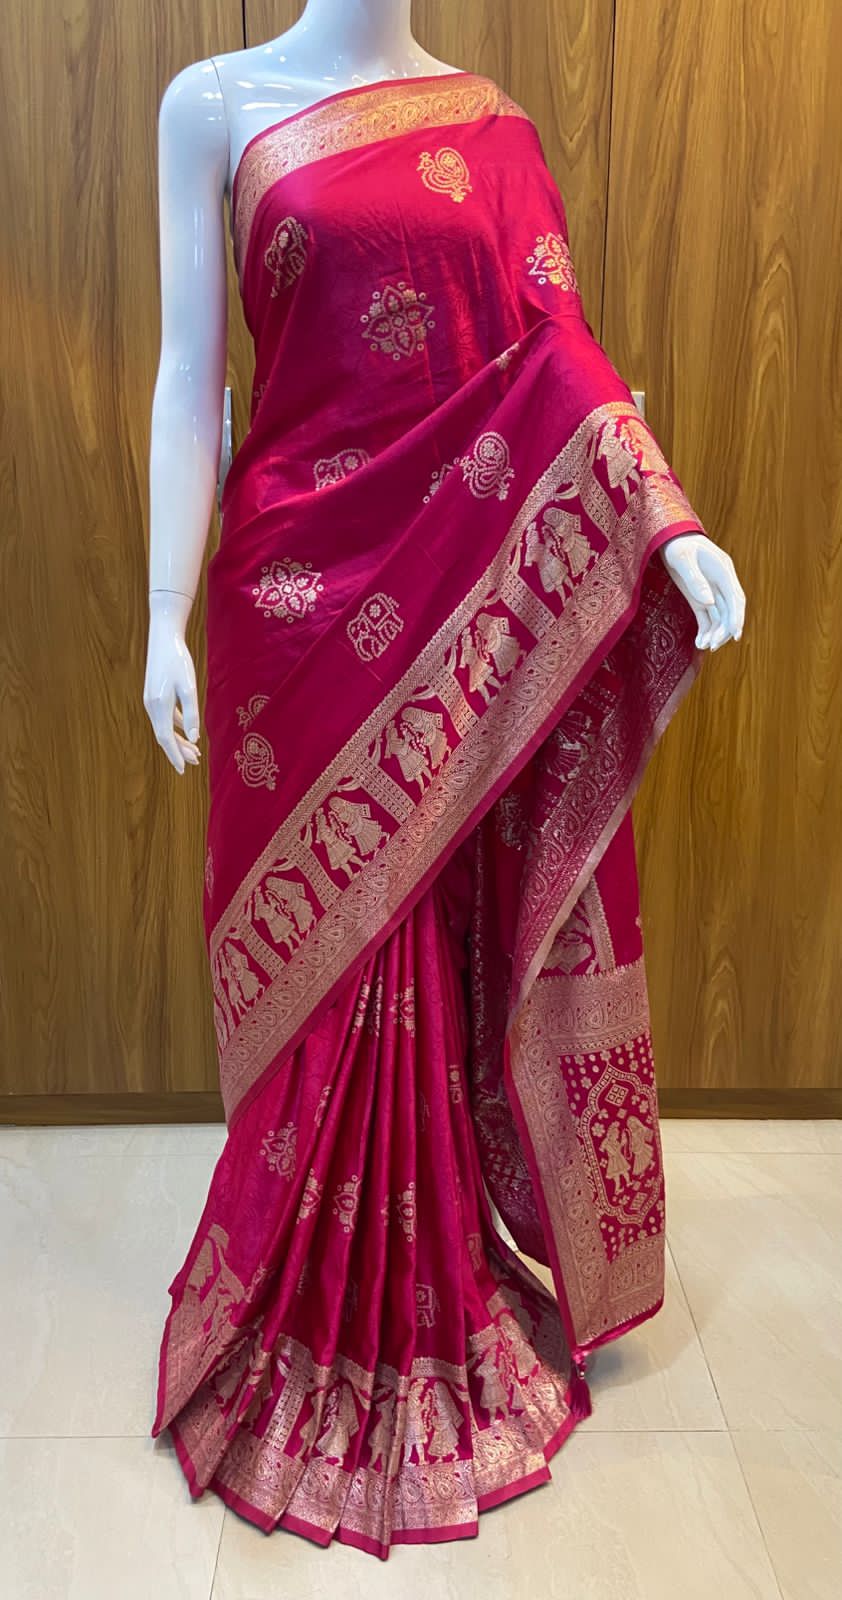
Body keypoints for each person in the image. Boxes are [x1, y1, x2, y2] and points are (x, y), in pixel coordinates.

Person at [145, 24, 744, 1561]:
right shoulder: (211, 103)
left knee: (418, 925)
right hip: (290, 597)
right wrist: (160, 613)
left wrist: (664, 521)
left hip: (451, 596)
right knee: (317, 950)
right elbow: (189, 374)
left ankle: (423, 1298)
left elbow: (556, 354)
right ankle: (295, 1297)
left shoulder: (493, 130)